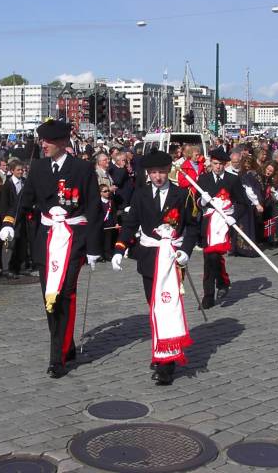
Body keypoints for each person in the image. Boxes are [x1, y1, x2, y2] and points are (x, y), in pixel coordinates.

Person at [0, 119, 102, 379]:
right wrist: (10, 222)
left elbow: (92, 207)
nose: (42, 145)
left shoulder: (82, 168)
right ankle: (64, 345)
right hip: (45, 240)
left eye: (47, 140)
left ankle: (56, 356)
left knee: (65, 294)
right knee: (49, 297)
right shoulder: (38, 168)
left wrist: (92, 246)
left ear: (61, 142)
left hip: (72, 238)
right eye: (41, 140)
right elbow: (25, 200)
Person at [111, 150, 198, 386]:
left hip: (172, 259)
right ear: (148, 174)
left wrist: (186, 251)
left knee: (167, 307)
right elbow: (130, 224)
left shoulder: (182, 194)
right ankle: (160, 349)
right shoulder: (139, 195)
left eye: (161, 172)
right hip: (149, 258)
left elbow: (192, 227)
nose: (158, 177)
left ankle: (166, 364)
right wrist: (119, 248)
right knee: (153, 308)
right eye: (153, 173)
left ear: (168, 171)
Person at [198, 147, 248, 308]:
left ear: (225, 164)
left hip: (225, 222)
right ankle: (210, 293)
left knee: (215, 256)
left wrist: (233, 217)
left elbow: (243, 203)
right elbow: (195, 203)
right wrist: (202, 202)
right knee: (209, 258)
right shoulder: (203, 179)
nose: (217, 167)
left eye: (220, 164)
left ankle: (221, 283)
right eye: (215, 163)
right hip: (208, 223)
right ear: (210, 163)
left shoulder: (232, 179)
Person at [0, 159, 28, 276]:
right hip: (10, 218)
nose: (21, 172)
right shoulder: (7, 185)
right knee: (9, 242)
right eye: (18, 170)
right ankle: (6, 268)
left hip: (22, 218)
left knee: (21, 243)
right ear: (12, 171)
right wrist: (6, 221)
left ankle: (21, 266)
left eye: (22, 170)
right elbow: (4, 204)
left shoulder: (24, 182)